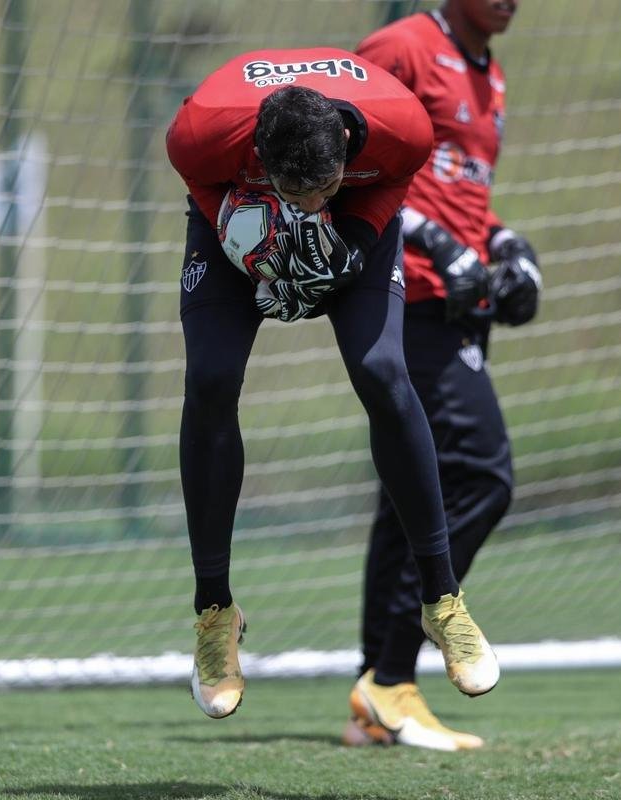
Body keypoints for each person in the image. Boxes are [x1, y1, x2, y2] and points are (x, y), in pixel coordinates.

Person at [165, 47, 500, 720]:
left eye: (320, 187)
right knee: (210, 379)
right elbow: (198, 180)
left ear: (346, 144)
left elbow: (394, 180)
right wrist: (246, 243)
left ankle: (442, 599)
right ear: (257, 150)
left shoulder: (402, 126)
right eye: (300, 193)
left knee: (382, 371)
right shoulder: (203, 130)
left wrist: (346, 243)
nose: (309, 205)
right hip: (238, 207)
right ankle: (213, 612)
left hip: (364, 210)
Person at [343, 0, 542, 751]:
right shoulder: (401, 47)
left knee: (407, 496)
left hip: (458, 305)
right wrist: (430, 241)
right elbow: (344, 171)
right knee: (481, 475)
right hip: (407, 299)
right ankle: (393, 676)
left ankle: (375, 699)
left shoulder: (490, 77)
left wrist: (504, 241)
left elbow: (460, 195)